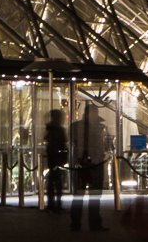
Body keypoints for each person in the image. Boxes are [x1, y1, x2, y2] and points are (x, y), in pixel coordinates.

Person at [70, 99, 112, 232]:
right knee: (88, 195)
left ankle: (78, 222)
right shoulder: (98, 128)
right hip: (90, 162)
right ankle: (91, 223)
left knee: (83, 195)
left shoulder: (76, 127)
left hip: (87, 162)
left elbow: (73, 142)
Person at [41, 107, 69, 215]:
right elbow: (61, 142)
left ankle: (53, 204)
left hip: (54, 156)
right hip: (56, 157)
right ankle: (54, 204)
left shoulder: (51, 129)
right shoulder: (56, 129)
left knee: (54, 181)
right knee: (56, 181)